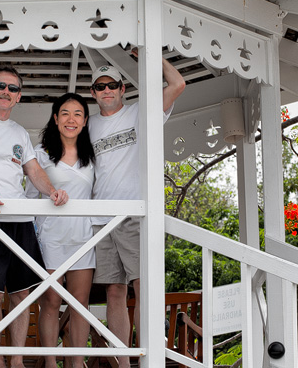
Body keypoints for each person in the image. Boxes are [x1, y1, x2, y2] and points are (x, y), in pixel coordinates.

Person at [0, 65, 68, 368]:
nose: (7, 92)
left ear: (19, 96)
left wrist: (52, 192)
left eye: (13, 89)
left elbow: (34, 171)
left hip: (21, 222)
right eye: (1, 86)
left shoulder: (20, 132)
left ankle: (17, 361)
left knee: (22, 295)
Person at [88, 54, 185, 367]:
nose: (106, 90)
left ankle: (149, 361)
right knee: (114, 292)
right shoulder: (85, 125)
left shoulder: (140, 112)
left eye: (112, 85)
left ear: (122, 88)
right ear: (93, 92)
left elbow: (178, 84)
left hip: (135, 215)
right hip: (100, 220)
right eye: (100, 86)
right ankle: (122, 363)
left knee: (144, 289)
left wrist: (152, 57)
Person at [25, 92, 96, 368]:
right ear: (55, 118)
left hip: (85, 236)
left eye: (78, 114)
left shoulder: (92, 156)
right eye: (65, 113)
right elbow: (30, 197)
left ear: (85, 120)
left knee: (80, 303)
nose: (71, 119)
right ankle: (51, 363)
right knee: (51, 301)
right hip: (51, 236)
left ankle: (77, 363)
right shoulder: (40, 155)